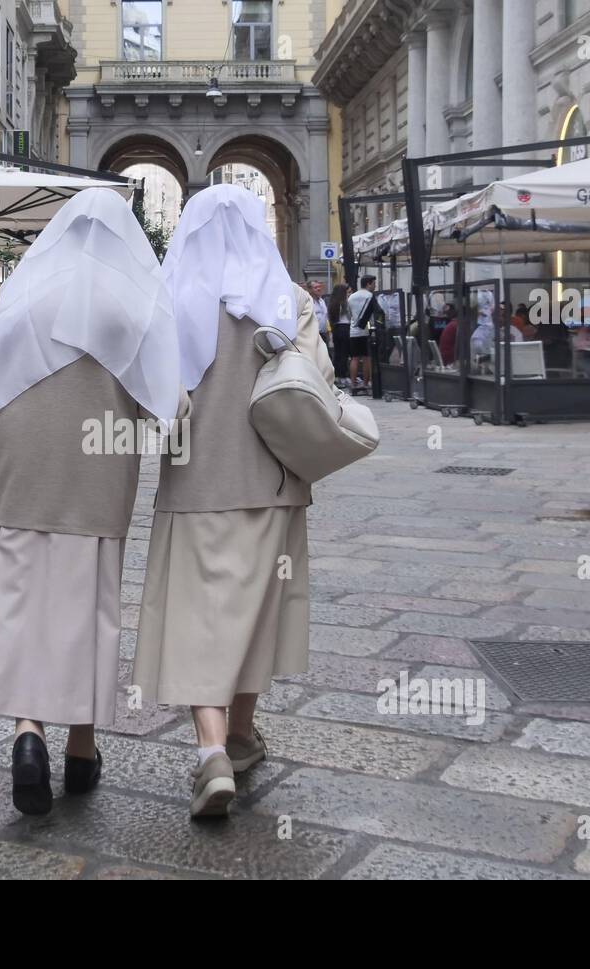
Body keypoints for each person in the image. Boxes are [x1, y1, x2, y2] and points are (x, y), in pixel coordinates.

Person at [0, 188, 185, 816]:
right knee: (86, 620)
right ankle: (81, 753)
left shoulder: (21, 303)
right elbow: (172, 409)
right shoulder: (135, 308)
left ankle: (29, 734)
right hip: (96, 493)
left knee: (19, 613)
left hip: (18, 485)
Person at [133, 184, 335, 819]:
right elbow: (319, 386)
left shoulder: (165, 303)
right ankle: (241, 734)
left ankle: (214, 750)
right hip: (273, 487)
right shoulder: (289, 301)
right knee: (255, 615)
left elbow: (146, 403)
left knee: (198, 616)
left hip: (194, 488)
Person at [346, 275, 379, 393]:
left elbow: (349, 314)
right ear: (368, 284)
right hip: (366, 331)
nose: (375, 286)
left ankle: (353, 384)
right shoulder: (370, 296)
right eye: (374, 284)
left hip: (353, 331)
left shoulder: (351, 297)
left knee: (354, 358)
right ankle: (366, 384)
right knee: (366, 358)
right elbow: (376, 314)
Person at [328, 282, 353, 388]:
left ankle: (336, 376)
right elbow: (350, 315)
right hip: (345, 328)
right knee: (344, 353)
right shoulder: (345, 303)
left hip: (336, 328)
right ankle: (343, 376)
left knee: (337, 353)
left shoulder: (333, 303)